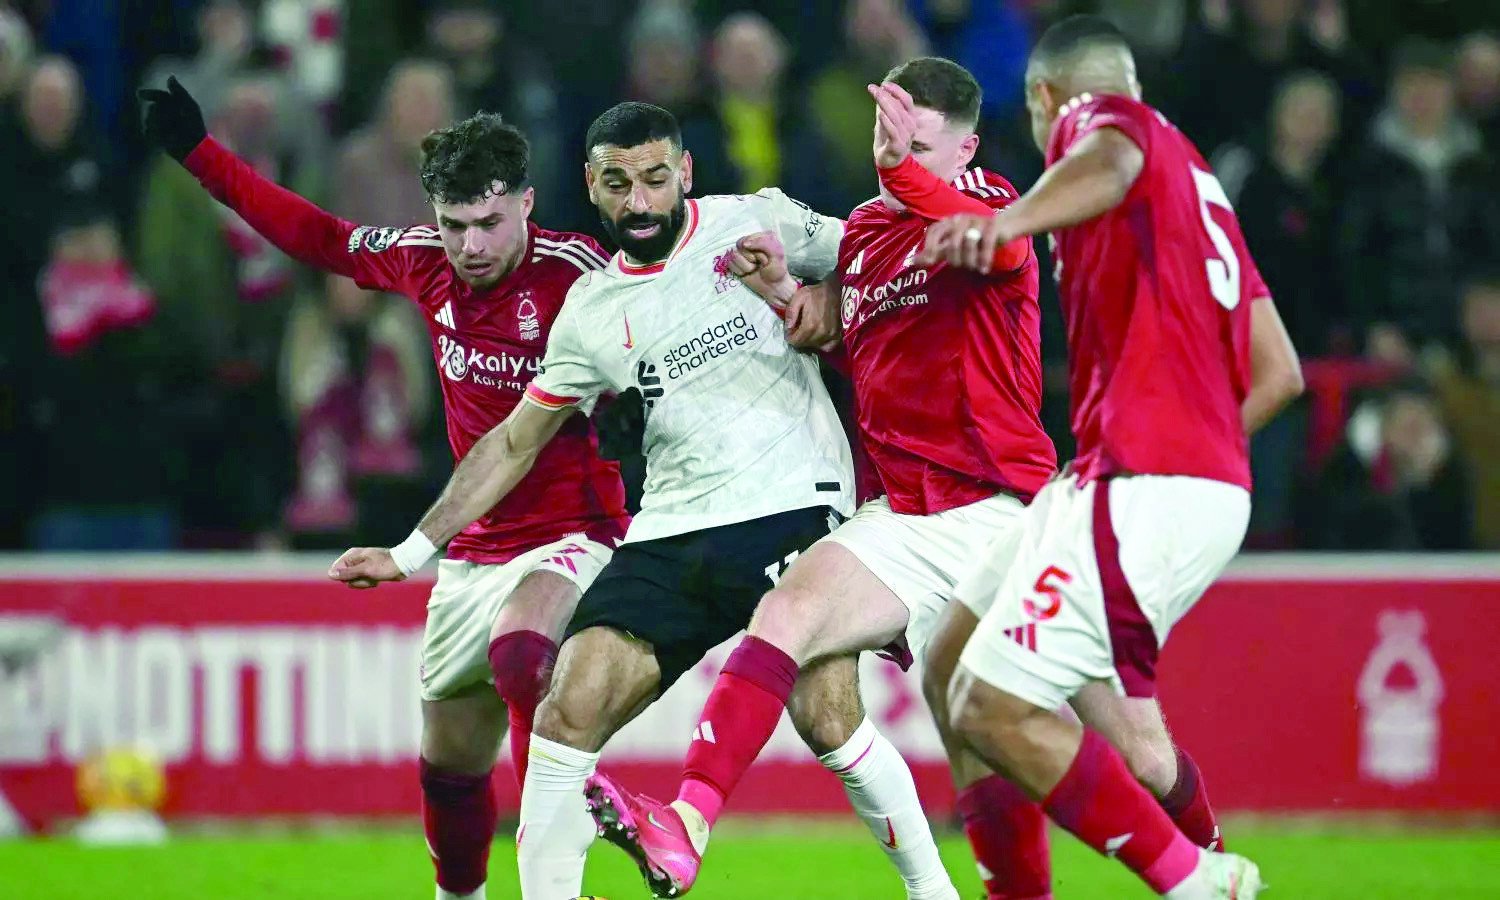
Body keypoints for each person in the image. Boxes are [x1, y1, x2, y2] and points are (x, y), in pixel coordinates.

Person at [589, 56, 1234, 900]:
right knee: (785, 614)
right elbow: (845, 333)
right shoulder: (861, 233)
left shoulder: (994, 207)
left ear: (964, 145)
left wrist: (904, 174)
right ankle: (689, 822)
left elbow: (980, 239)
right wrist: (784, 287)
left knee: (1138, 754)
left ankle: (1212, 870)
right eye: (886, 136)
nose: (896, 153)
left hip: (1006, 511)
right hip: (909, 517)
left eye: (920, 143)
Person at [327, 101, 955, 900]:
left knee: (826, 713)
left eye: (657, 179)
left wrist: (825, 305)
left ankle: (933, 893)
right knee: (567, 707)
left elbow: (875, 261)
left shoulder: (753, 219)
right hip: (669, 527)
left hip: (793, 500)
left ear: (684, 173)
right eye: (619, 183)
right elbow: (515, 442)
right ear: (592, 186)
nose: (640, 201)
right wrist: (414, 550)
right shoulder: (588, 311)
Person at [138, 77, 629, 900]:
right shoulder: (423, 260)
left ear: (527, 203)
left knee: (523, 654)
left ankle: (559, 874)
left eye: (489, 223)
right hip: (472, 549)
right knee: (450, 762)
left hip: (573, 534)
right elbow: (315, 235)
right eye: (454, 224)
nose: (471, 246)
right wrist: (201, 155)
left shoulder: (580, 274)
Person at [914, 16, 1304, 899]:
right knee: (950, 665)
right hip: (1143, 478)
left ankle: (1195, 880)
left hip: (1147, 483)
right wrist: (1197, 453)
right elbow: (1278, 371)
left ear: (1045, 100)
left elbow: (1110, 156)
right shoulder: (1192, 184)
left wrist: (1004, 219)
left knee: (994, 706)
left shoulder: (1109, 130)